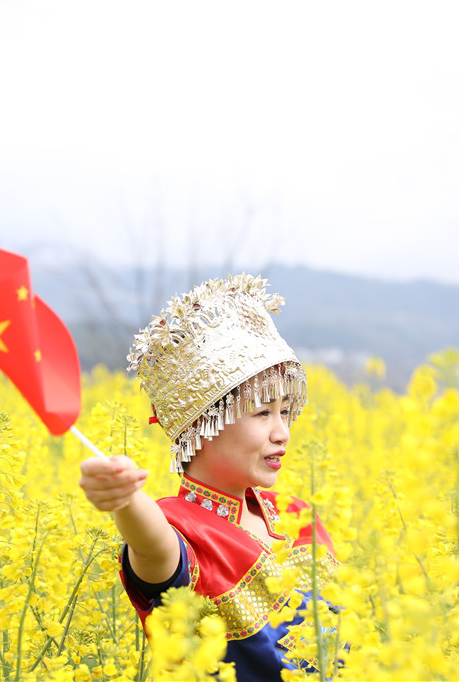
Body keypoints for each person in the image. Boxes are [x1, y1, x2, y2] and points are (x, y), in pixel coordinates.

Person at [78, 275, 338, 680]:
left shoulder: (298, 516)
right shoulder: (183, 530)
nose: (282, 432)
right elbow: (152, 546)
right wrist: (124, 497)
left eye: (285, 411)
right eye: (263, 413)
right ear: (204, 423)